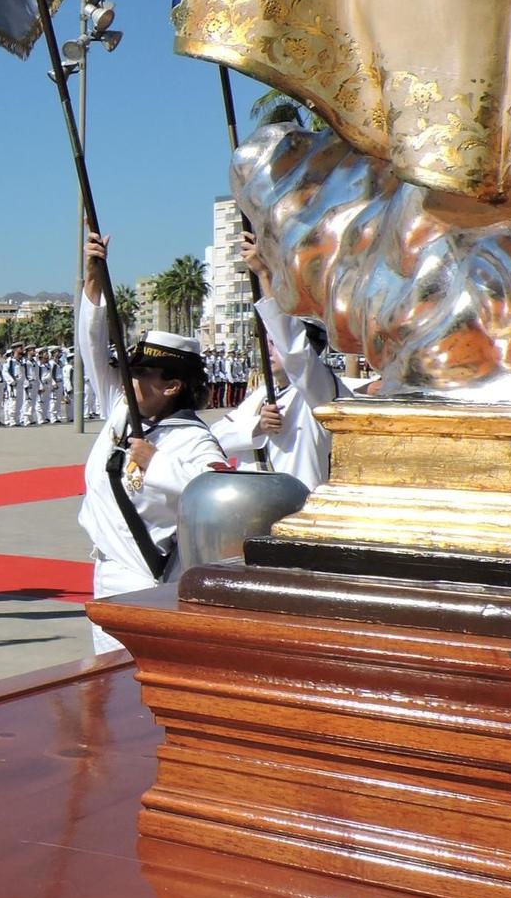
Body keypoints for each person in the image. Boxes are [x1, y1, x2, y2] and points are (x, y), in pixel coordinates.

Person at [77, 232, 227, 653]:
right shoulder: (122, 409)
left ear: (173, 385)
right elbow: (91, 347)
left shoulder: (194, 439)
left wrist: (156, 464)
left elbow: (215, 493)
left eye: (142, 375)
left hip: (148, 577)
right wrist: (93, 281)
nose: (130, 380)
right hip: (105, 572)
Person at [214, 235, 339, 490]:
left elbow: (293, 349)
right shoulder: (258, 397)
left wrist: (264, 276)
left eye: (275, 343)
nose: (269, 350)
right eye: (268, 342)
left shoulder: (317, 391)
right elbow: (215, 437)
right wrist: (256, 426)